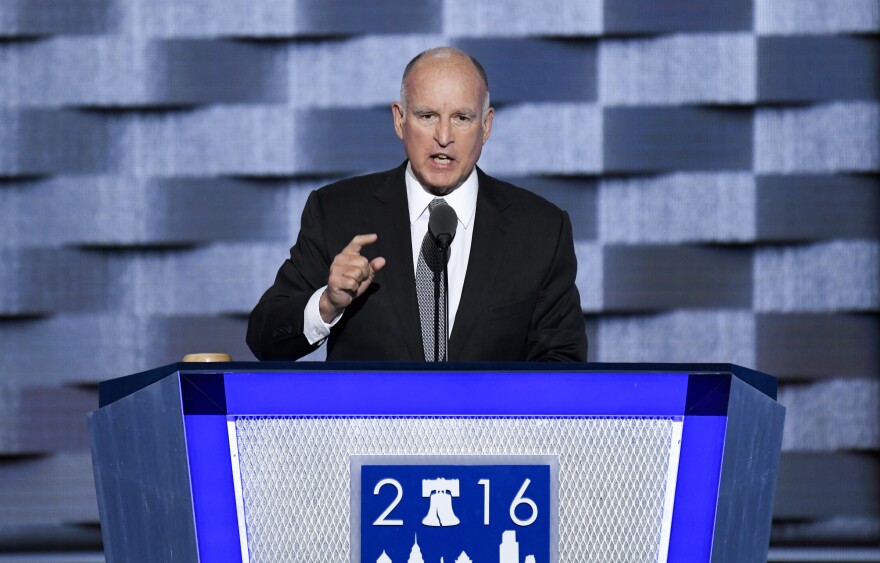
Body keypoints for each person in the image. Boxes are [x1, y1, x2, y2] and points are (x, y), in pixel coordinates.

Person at [247, 47, 587, 362]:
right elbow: (264, 338)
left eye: (462, 118)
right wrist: (327, 304)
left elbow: (562, 364)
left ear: (486, 126)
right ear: (399, 120)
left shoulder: (541, 230)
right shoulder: (337, 212)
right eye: (427, 116)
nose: (443, 136)